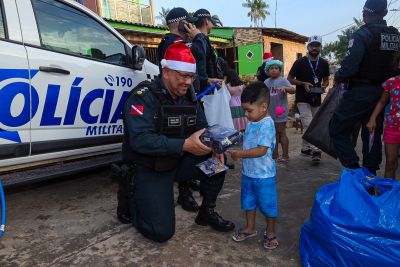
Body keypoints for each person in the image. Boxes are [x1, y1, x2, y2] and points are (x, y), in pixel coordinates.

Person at [119, 43, 234, 242]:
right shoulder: (143, 97)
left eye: (192, 77)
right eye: (183, 76)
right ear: (166, 71)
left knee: (218, 163)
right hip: (150, 167)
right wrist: (184, 145)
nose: (188, 82)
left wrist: (213, 145)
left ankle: (207, 212)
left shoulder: (188, 96)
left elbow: (202, 126)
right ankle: (131, 194)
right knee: (161, 233)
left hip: (178, 162)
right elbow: (140, 140)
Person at [329, 0, 400, 174]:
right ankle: (370, 175)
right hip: (384, 94)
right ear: (384, 13)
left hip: (362, 91)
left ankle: (355, 170)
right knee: (372, 131)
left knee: (336, 128)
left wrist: (339, 77)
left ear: (365, 12)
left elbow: (349, 67)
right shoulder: (396, 36)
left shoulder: (362, 34)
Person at [157, 7, 204, 211]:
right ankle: (184, 192)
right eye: (188, 23)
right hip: (179, 101)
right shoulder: (174, 43)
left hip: (186, 99)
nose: (191, 26)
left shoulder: (174, 42)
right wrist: (199, 36)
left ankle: (187, 181)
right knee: (184, 139)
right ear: (181, 23)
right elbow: (202, 54)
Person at [228, 82, 279, 250]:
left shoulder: (267, 124)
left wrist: (239, 154)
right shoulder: (252, 121)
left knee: (268, 205)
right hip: (249, 173)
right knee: (248, 202)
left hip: (264, 176)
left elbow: (261, 150)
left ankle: (270, 231)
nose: (246, 114)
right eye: (245, 110)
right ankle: (250, 228)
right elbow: (248, 140)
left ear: (264, 107)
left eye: (249, 110)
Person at [288, 35, 330, 162]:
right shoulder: (300, 62)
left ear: (320, 47)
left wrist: (325, 84)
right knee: (310, 123)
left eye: (317, 45)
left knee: (311, 123)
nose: (315, 48)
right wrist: (303, 83)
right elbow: (289, 79)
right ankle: (316, 150)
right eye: (312, 45)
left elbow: (326, 79)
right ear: (308, 47)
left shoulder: (324, 63)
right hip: (302, 98)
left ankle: (305, 148)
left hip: (316, 97)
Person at [367, 75, 400, 179]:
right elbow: (382, 102)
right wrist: (372, 119)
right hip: (392, 127)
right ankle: (388, 193)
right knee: (391, 163)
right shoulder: (391, 82)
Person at [264, 60, 296, 162]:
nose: (274, 70)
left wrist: (286, 88)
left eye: (276, 68)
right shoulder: (266, 82)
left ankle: (285, 155)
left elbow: (293, 90)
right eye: (271, 68)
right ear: (268, 70)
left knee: (281, 132)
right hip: (270, 111)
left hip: (280, 110)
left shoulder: (283, 80)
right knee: (273, 134)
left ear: (279, 70)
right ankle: (275, 154)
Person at [193, 9, 225, 91]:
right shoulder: (201, 42)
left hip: (209, 86)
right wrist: (207, 81)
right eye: (211, 21)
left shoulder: (199, 41)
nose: (213, 25)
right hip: (205, 90)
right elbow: (201, 67)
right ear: (206, 21)